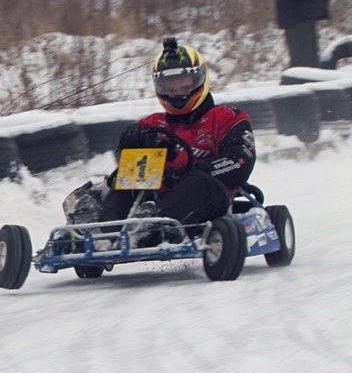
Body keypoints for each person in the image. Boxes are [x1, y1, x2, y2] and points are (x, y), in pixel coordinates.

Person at [94, 37, 256, 245]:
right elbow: (124, 162)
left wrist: (189, 172)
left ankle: (152, 227)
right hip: (150, 199)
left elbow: (239, 161)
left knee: (197, 181)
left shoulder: (227, 117)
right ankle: (104, 232)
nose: (178, 93)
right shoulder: (153, 123)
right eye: (171, 88)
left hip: (209, 199)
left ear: (199, 80)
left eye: (184, 85)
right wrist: (136, 141)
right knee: (133, 170)